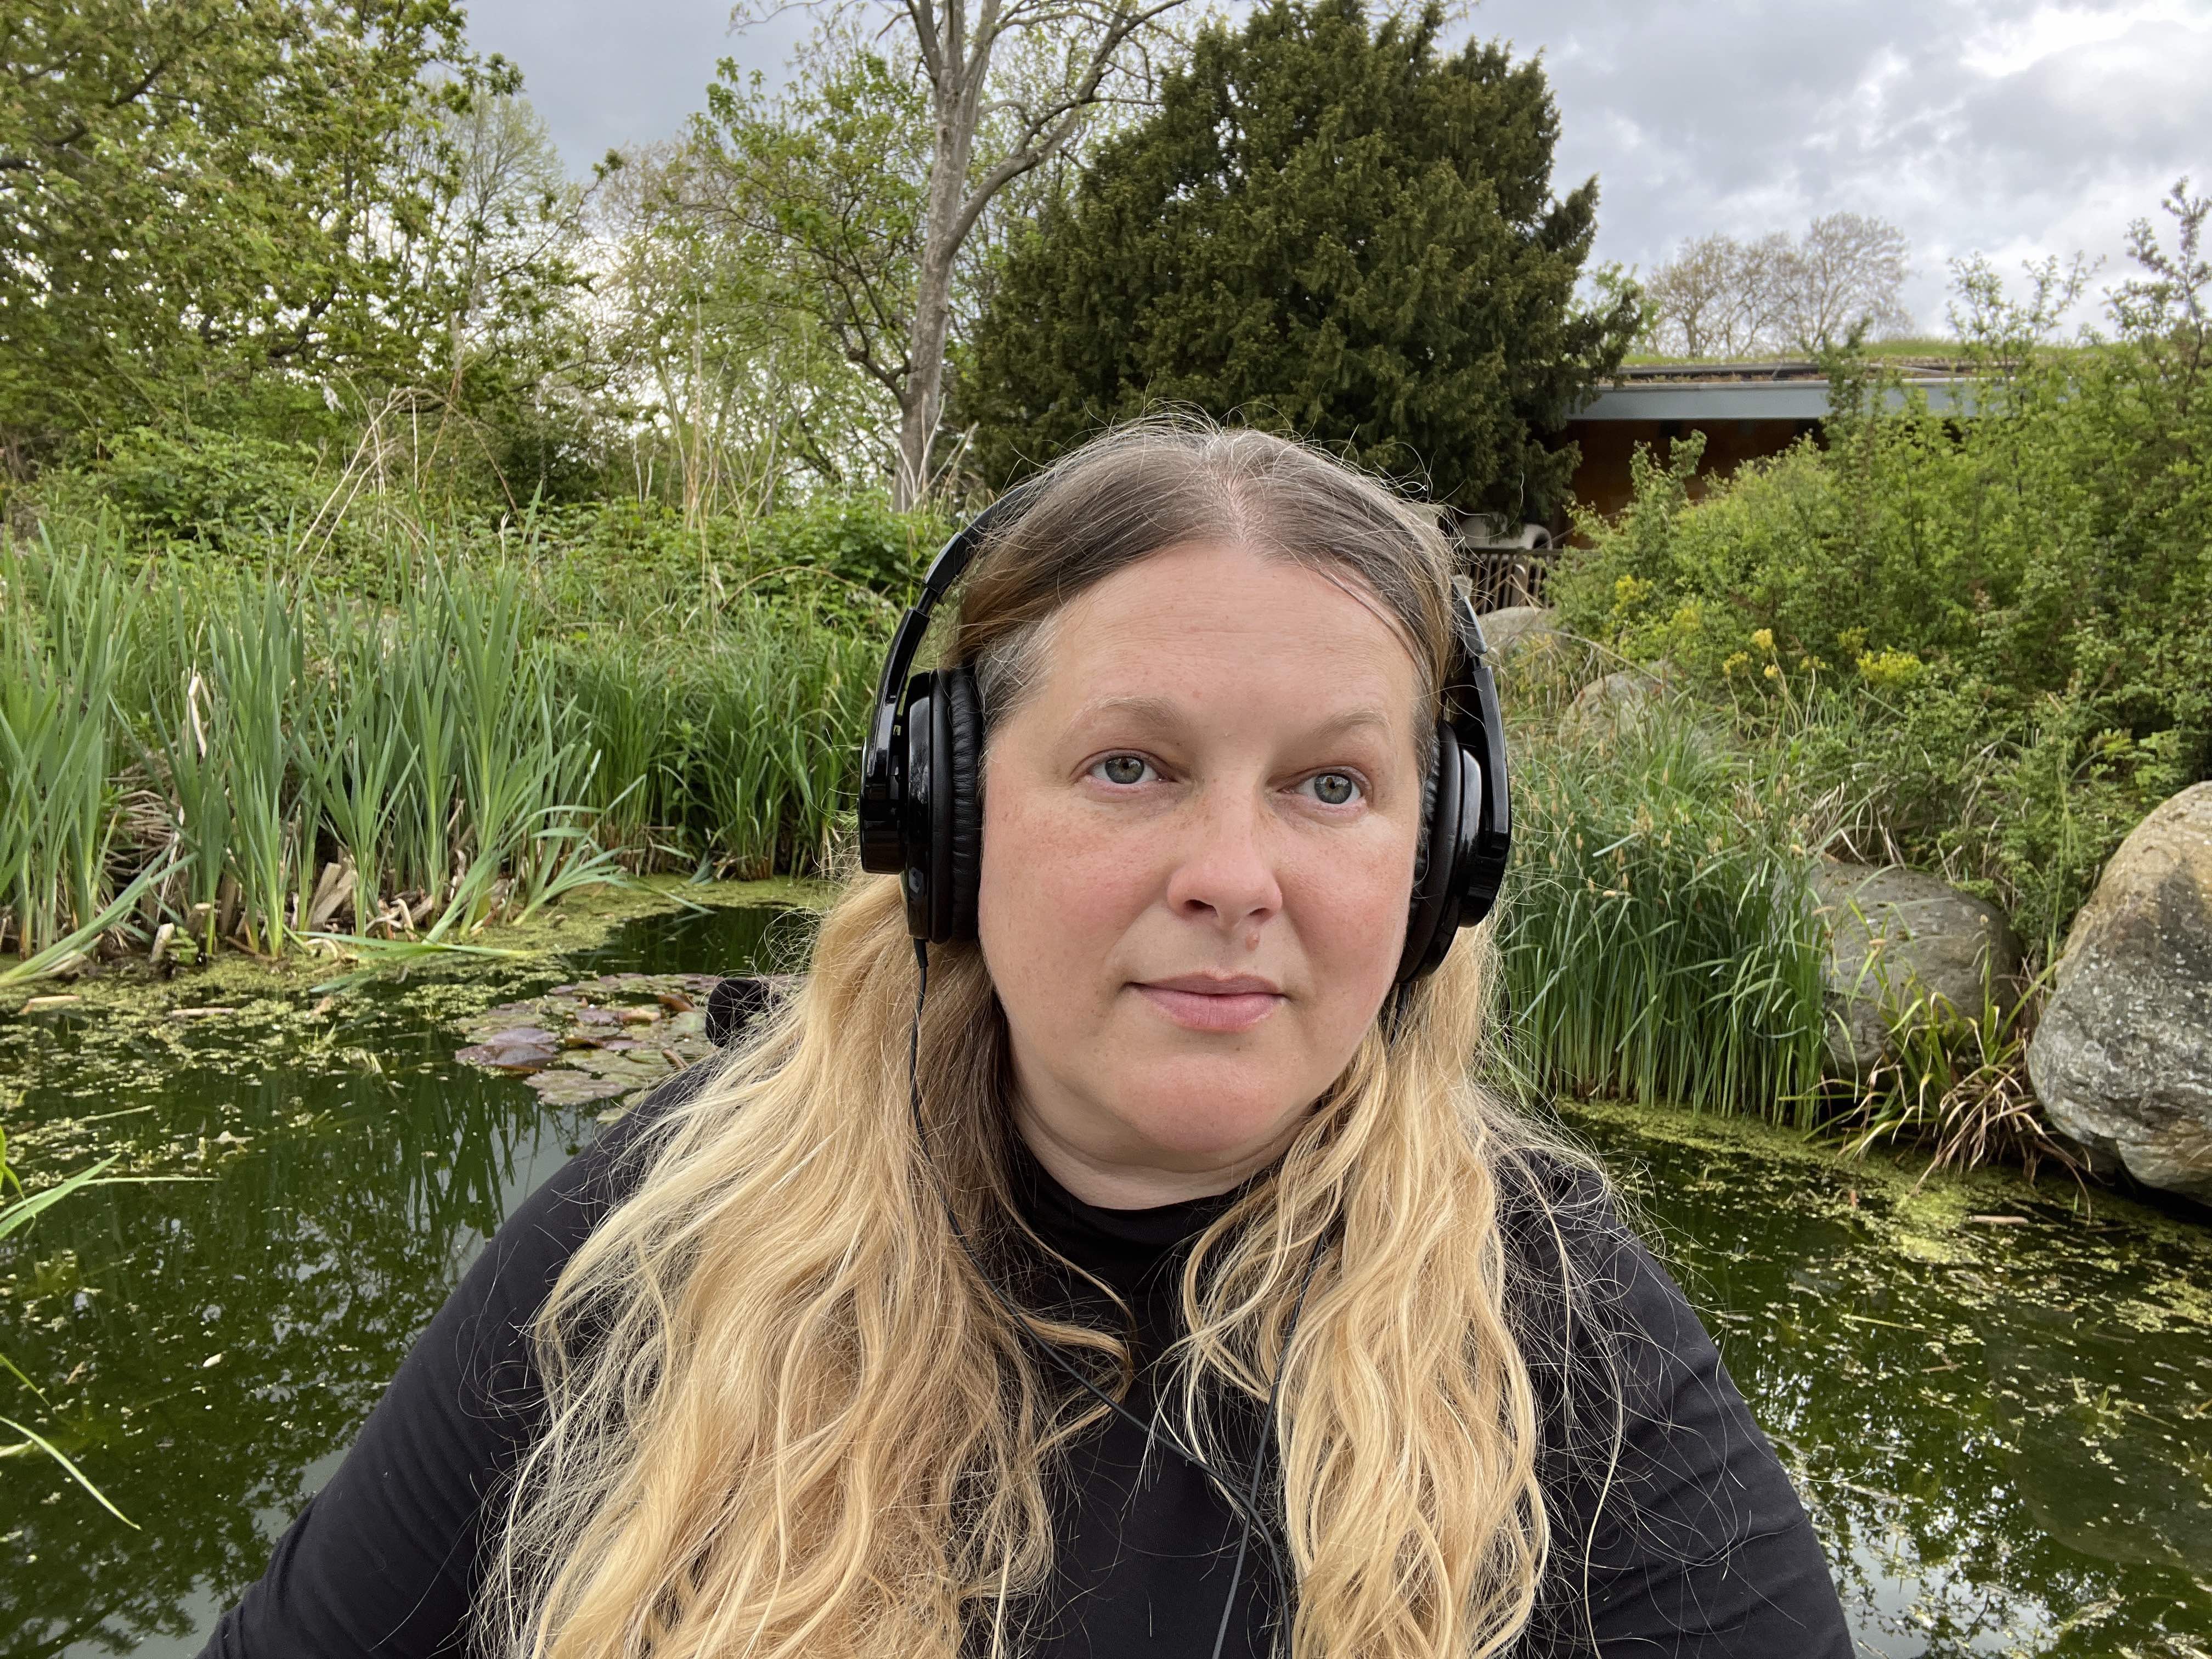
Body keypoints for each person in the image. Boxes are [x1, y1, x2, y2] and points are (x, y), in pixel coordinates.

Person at [200, 424, 1852, 1658]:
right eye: (1131, 765)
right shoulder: (662, 1232)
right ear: (953, 819)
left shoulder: (1557, 1321)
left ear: (1441, 863)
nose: (1232, 879)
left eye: (1332, 785)